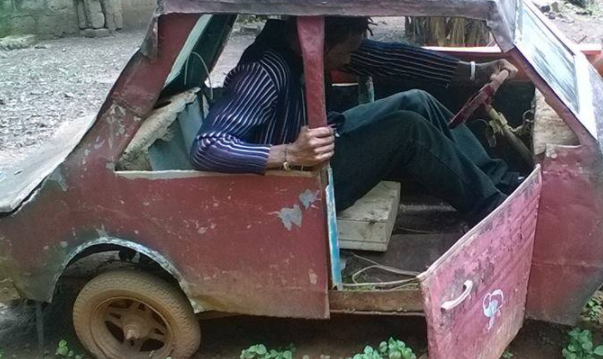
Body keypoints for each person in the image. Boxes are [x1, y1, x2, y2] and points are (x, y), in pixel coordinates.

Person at [191, 17, 519, 224]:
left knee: (417, 100)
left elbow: (392, 58)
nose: (351, 59)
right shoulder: (264, 73)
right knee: (409, 130)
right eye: (347, 52)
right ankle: (495, 210)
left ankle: (504, 183)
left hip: (329, 134)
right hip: (298, 180)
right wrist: (290, 153)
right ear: (321, 43)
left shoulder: (311, 38)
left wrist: (476, 71)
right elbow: (207, 147)